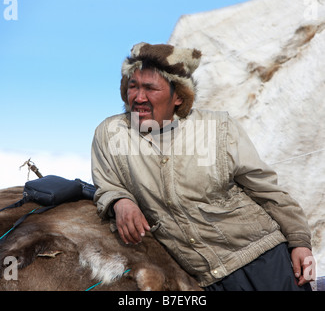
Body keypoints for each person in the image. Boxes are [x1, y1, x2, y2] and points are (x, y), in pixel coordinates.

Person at [91, 42, 315, 291]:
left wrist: (299, 242)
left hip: (265, 258)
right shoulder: (111, 134)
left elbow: (266, 190)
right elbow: (106, 184)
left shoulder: (218, 128)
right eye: (132, 86)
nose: (139, 97)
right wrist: (120, 201)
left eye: (150, 88)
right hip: (204, 280)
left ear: (178, 96)